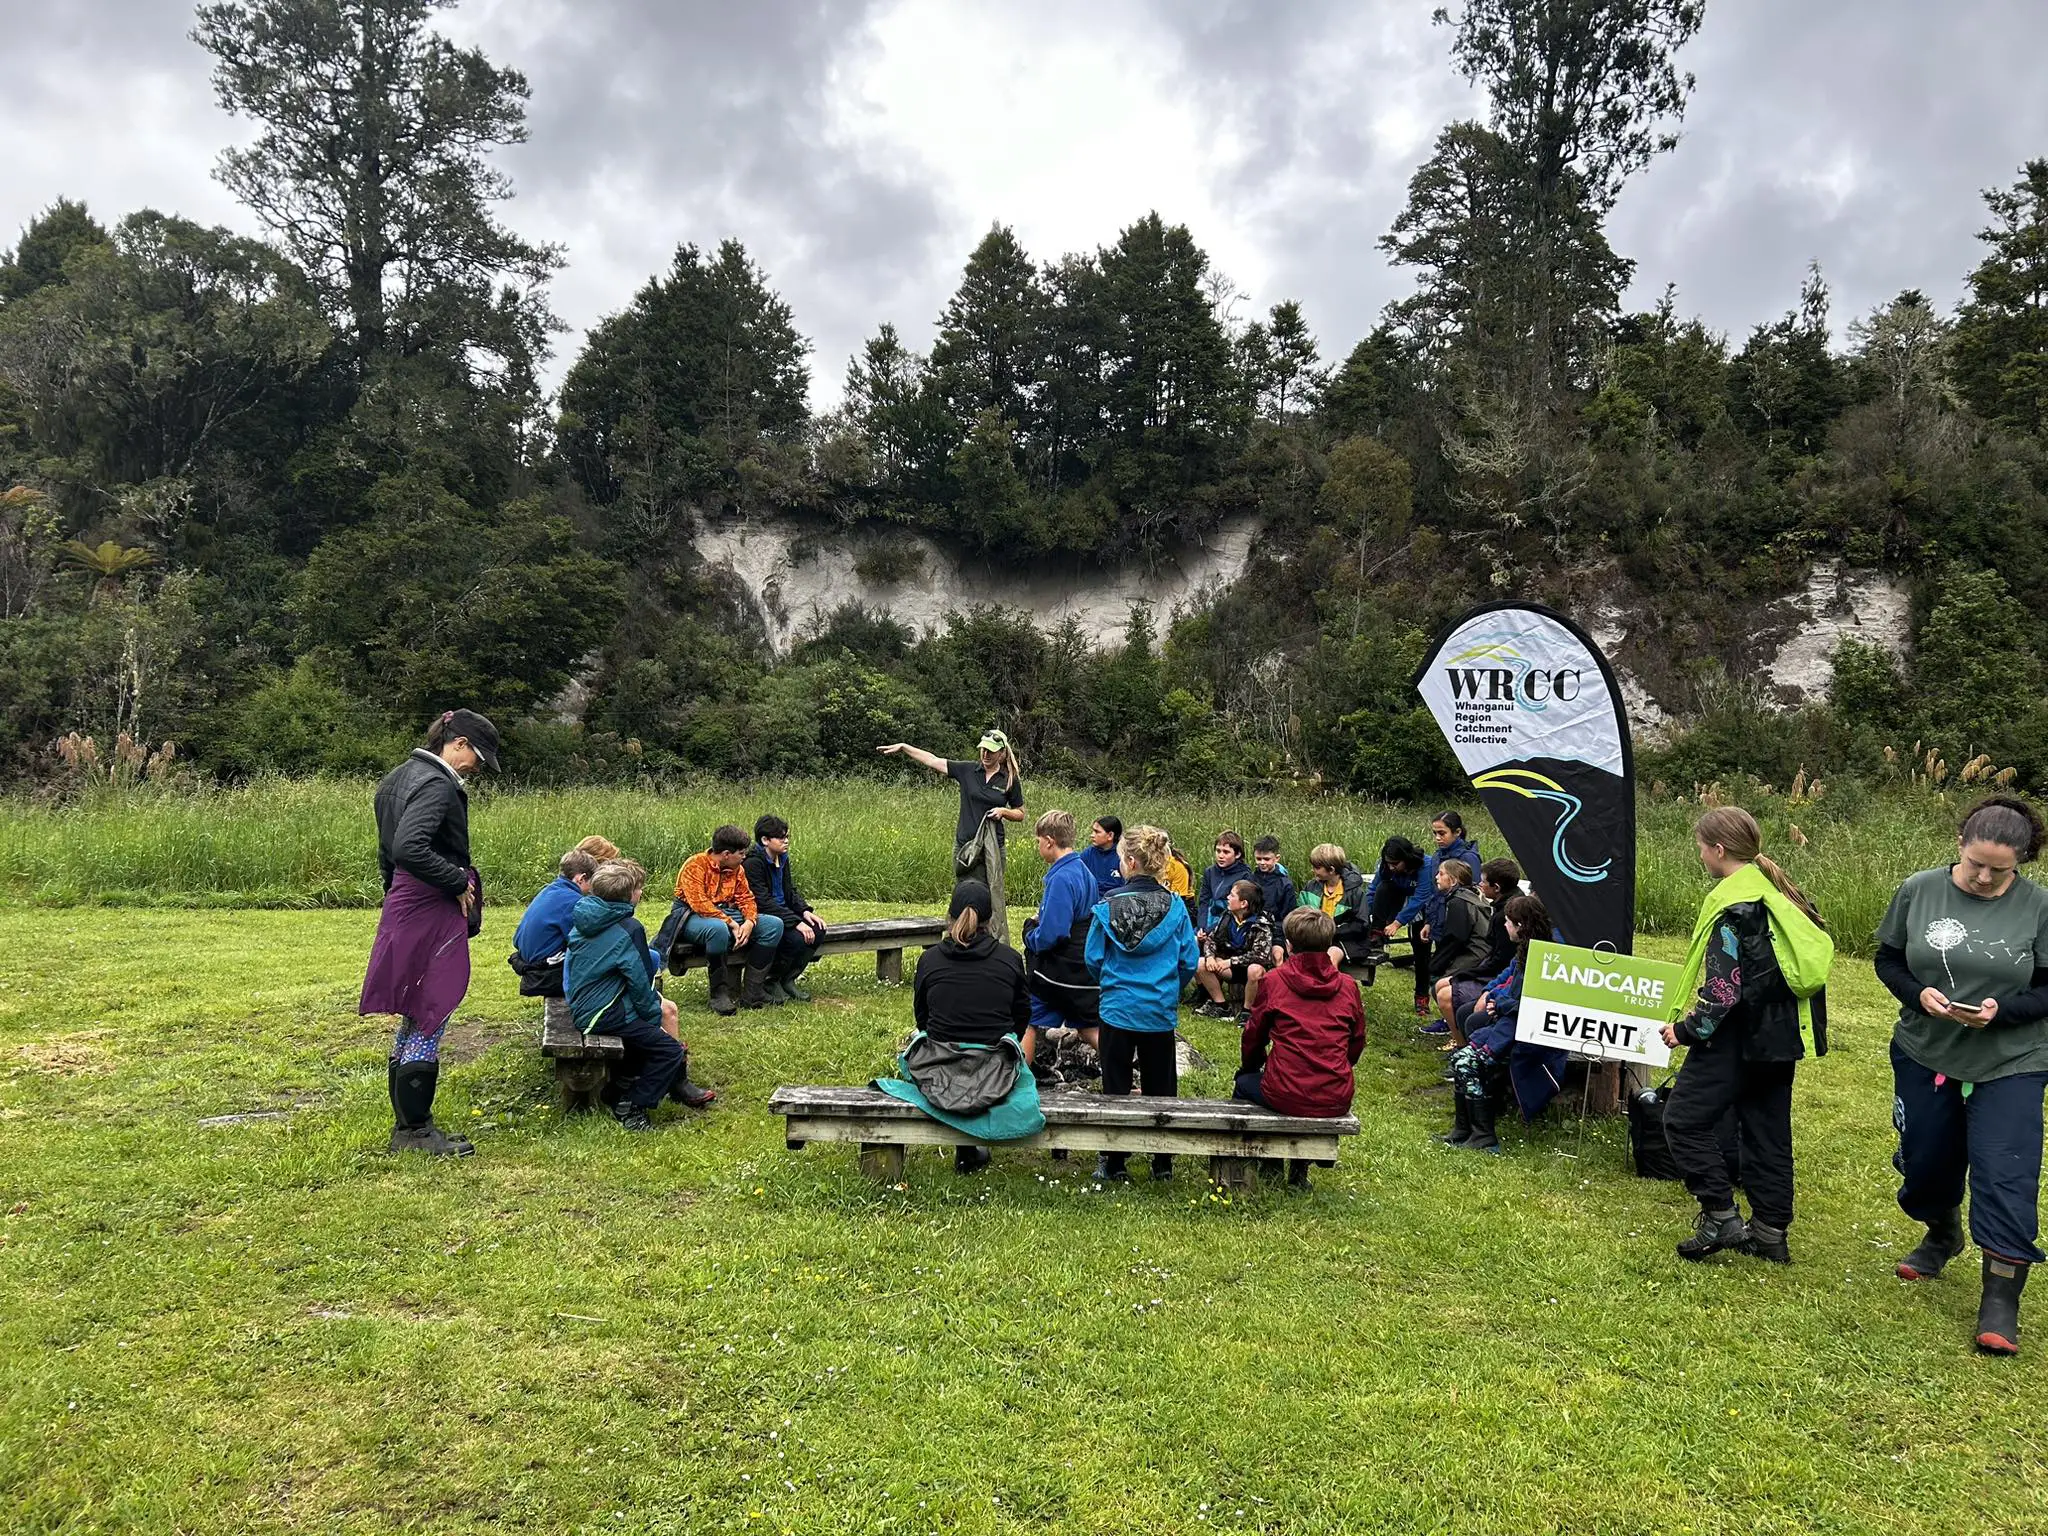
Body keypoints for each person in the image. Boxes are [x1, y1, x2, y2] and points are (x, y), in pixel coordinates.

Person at [1875, 795, 2048, 1355]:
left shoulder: (2040, 908)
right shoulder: (1918, 889)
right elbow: (1889, 959)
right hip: (1926, 1050)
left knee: (2005, 1173)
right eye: (1976, 862)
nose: (1983, 877)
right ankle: (1942, 1232)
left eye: (2000, 870)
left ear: (2022, 861)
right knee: (1926, 1162)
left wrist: (2004, 1012)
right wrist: (1915, 993)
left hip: (2012, 1060)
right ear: (1959, 844)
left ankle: (2000, 1299)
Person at [1658, 807, 1833, 1266]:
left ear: (1718, 850)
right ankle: (1771, 1233)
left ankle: (1719, 1213)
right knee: (1766, 1130)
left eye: (1701, 847)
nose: (1700, 855)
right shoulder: (1781, 892)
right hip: (1780, 1035)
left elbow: (1723, 988)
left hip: (1736, 1036)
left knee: (1682, 1119)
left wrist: (1686, 1030)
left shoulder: (1736, 906)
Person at [360, 708, 499, 1158]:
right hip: (428, 906)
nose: (477, 766)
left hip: (403, 903)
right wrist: (457, 881)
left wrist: (397, 896)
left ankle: (409, 1127)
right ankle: (416, 1133)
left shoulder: (397, 777)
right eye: (477, 755)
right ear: (457, 742)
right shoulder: (438, 785)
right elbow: (408, 847)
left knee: (415, 1013)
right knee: (431, 1009)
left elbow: (389, 854)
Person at [877, 881, 1042, 1173]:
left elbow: (923, 1019)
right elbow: (1021, 1015)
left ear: (950, 916)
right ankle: (972, 1146)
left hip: (939, 1063)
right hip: (995, 1067)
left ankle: (967, 1148)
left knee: (931, 1054)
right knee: (1011, 1071)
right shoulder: (1009, 959)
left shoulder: (930, 960)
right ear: (989, 921)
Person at [1085, 824, 1200, 1183]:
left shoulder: (1108, 907)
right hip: (1158, 1010)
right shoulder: (1177, 908)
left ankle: (1114, 1160)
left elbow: (1092, 958)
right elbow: (1188, 961)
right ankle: (1162, 1160)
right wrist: (1168, 988)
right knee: (1161, 1084)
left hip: (1118, 1008)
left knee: (1115, 1085)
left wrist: (1111, 983)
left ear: (1131, 861)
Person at [565, 860, 717, 1129]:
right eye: (638, 889)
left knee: (647, 1038)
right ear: (629, 896)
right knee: (668, 1050)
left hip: (584, 1003)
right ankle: (633, 1106)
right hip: (603, 1011)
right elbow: (639, 980)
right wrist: (650, 1016)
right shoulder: (629, 927)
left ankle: (616, 1090)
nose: (641, 893)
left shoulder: (586, 914)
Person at [1236, 908, 1367, 1187]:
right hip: (1335, 1092)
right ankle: (1299, 1171)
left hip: (1285, 1090)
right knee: (1280, 1086)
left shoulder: (1274, 981)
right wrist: (1338, 1066)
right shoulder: (1347, 985)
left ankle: (1266, 1160)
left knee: (1244, 1084)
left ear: (1290, 944)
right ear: (1329, 944)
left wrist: (1250, 1065)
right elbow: (1357, 1040)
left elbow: (1254, 1035)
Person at [877, 731, 1026, 944]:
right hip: (965, 847)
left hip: (992, 849)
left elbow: (1020, 813)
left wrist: (1004, 812)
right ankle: (960, 939)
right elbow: (932, 760)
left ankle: (990, 943)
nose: (985, 754)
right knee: (964, 893)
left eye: (991, 751)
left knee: (990, 895)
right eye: (982, 749)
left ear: (1002, 754)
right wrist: (904, 746)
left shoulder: (1009, 779)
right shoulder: (967, 770)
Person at [1442, 893, 1555, 1154]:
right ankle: (1464, 1129)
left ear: (1521, 926)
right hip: (1506, 1027)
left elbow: (1537, 1006)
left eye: (1509, 922)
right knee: (1460, 1059)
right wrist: (1495, 997)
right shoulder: (1526, 953)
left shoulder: (1544, 960)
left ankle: (1485, 1135)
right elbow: (1509, 987)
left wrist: (1501, 1004)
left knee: (1466, 1062)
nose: (1505, 926)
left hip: (1525, 1036)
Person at [656, 826, 786, 1014]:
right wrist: (732, 923)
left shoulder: (737, 869)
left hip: (727, 912)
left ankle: (753, 992)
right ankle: (720, 994)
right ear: (726, 854)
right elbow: (699, 903)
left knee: (773, 925)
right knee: (717, 929)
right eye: (740, 853)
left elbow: (746, 897)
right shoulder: (695, 865)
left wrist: (749, 921)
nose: (743, 857)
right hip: (691, 915)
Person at [1388, 812, 1483, 1018]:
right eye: (1434, 833)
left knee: (1453, 967)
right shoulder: (1437, 856)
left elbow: (1471, 894)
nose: (1437, 838)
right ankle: (1424, 1000)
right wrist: (1430, 921)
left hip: (1458, 922)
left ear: (1457, 832)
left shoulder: (1468, 858)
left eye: (1442, 833)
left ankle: (1454, 1014)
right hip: (1435, 916)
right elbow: (1434, 891)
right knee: (1424, 959)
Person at [1022, 810, 1102, 1048]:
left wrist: (1030, 935)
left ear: (1049, 841)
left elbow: (1053, 934)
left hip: (1059, 971)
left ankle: (1020, 1080)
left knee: (1026, 1020)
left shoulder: (1060, 878)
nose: (1038, 847)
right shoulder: (1085, 871)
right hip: (1084, 967)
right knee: (1089, 1028)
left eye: (1038, 842)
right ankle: (1123, 1074)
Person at [1431, 858, 1521, 1045]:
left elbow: (1500, 961)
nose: (1479, 884)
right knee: (1441, 985)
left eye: (1483, 881)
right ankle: (1457, 1038)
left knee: (1444, 993)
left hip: (1497, 974)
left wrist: (1467, 973)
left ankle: (1461, 1044)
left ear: (1496, 887)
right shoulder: (1503, 903)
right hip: (1491, 966)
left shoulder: (1506, 914)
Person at [744, 814, 826, 1004]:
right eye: (781, 838)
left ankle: (788, 979)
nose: (786, 841)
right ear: (765, 840)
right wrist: (795, 922)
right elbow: (761, 900)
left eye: (787, 836)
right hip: (766, 915)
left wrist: (805, 911)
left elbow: (789, 891)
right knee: (796, 939)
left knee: (818, 930)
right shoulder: (752, 863)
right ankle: (771, 980)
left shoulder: (782, 858)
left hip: (783, 912)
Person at [509, 846, 600, 998]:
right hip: (544, 971)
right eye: (591, 882)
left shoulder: (549, 890)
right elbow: (585, 941)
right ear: (581, 878)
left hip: (526, 961)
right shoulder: (573, 901)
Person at [1421, 860, 1494, 1038]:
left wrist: (1436, 965)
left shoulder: (1459, 902)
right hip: (1480, 952)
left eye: (1441, 873)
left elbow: (1455, 938)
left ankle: (1457, 1034)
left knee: (1439, 985)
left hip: (1475, 955)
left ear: (1453, 881)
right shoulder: (1469, 896)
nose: (1437, 877)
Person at [1194, 880, 1276, 1020]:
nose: (1227, 898)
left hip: (1251, 970)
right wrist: (1210, 957)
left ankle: (1247, 1011)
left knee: (1255, 969)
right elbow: (1212, 939)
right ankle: (1221, 1006)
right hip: (1229, 967)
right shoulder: (1227, 916)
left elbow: (1260, 956)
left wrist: (1230, 962)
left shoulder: (1261, 924)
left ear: (1243, 904)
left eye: (1232, 895)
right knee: (1201, 963)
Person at [1297, 843, 1372, 967]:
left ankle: (1330, 985)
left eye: (1316, 867)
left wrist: (1331, 932)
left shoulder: (1354, 892)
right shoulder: (1311, 887)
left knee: (1329, 959)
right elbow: (1299, 912)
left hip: (1345, 940)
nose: (1313, 870)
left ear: (1331, 870)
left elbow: (1361, 925)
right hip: (1314, 939)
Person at [1362, 836, 1426, 966]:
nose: (1391, 867)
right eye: (1388, 863)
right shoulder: (1386, 866)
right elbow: (1373, 889)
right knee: (1384, 887)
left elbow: (1420, 899)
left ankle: (1422, 984)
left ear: (1406, 859)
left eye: (1395, 864)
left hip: (1424, 905)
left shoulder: (1426, 866)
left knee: (1419, 944)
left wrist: (1397, 923)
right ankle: (1377, 934)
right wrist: (1364, 913)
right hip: (1398, 898)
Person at [1195, 831, 1253, 938]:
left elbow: (1238, 910)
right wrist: (1201, 927)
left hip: (1229, 922)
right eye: (1218, 851)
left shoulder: (1245, 875)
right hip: (1209, 919)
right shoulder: (1210, 872)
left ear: (1237, 854)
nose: (1221, 856)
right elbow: (1204, 901)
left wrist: (1211, 930)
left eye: (1226, 852)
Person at [1250, 837, 1297, 942]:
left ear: (1277, 858)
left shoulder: (1285, 885)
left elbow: (1288, 918)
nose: (1262, 862)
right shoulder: (1250, 880)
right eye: (1258, 859)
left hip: (1276, 933)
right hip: (1251, 929)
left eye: (1266, 859)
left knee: (1277, 954)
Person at [1078, 815, 1127, 899]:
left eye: (1097, 832)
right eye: (1093, 831)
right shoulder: (1088, 854)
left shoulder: (1123, 856)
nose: (1092, 835)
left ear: (1110, 835)